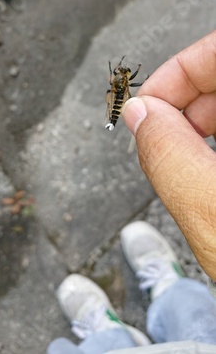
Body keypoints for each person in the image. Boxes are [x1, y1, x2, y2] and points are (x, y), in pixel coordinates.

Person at [47, 31, 216, 354]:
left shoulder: (120, 84)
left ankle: (110, 336)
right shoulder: (120, 89)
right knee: (197, 319)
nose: (123, 77)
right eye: (122, 76)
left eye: (124, 75)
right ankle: (172, 293)